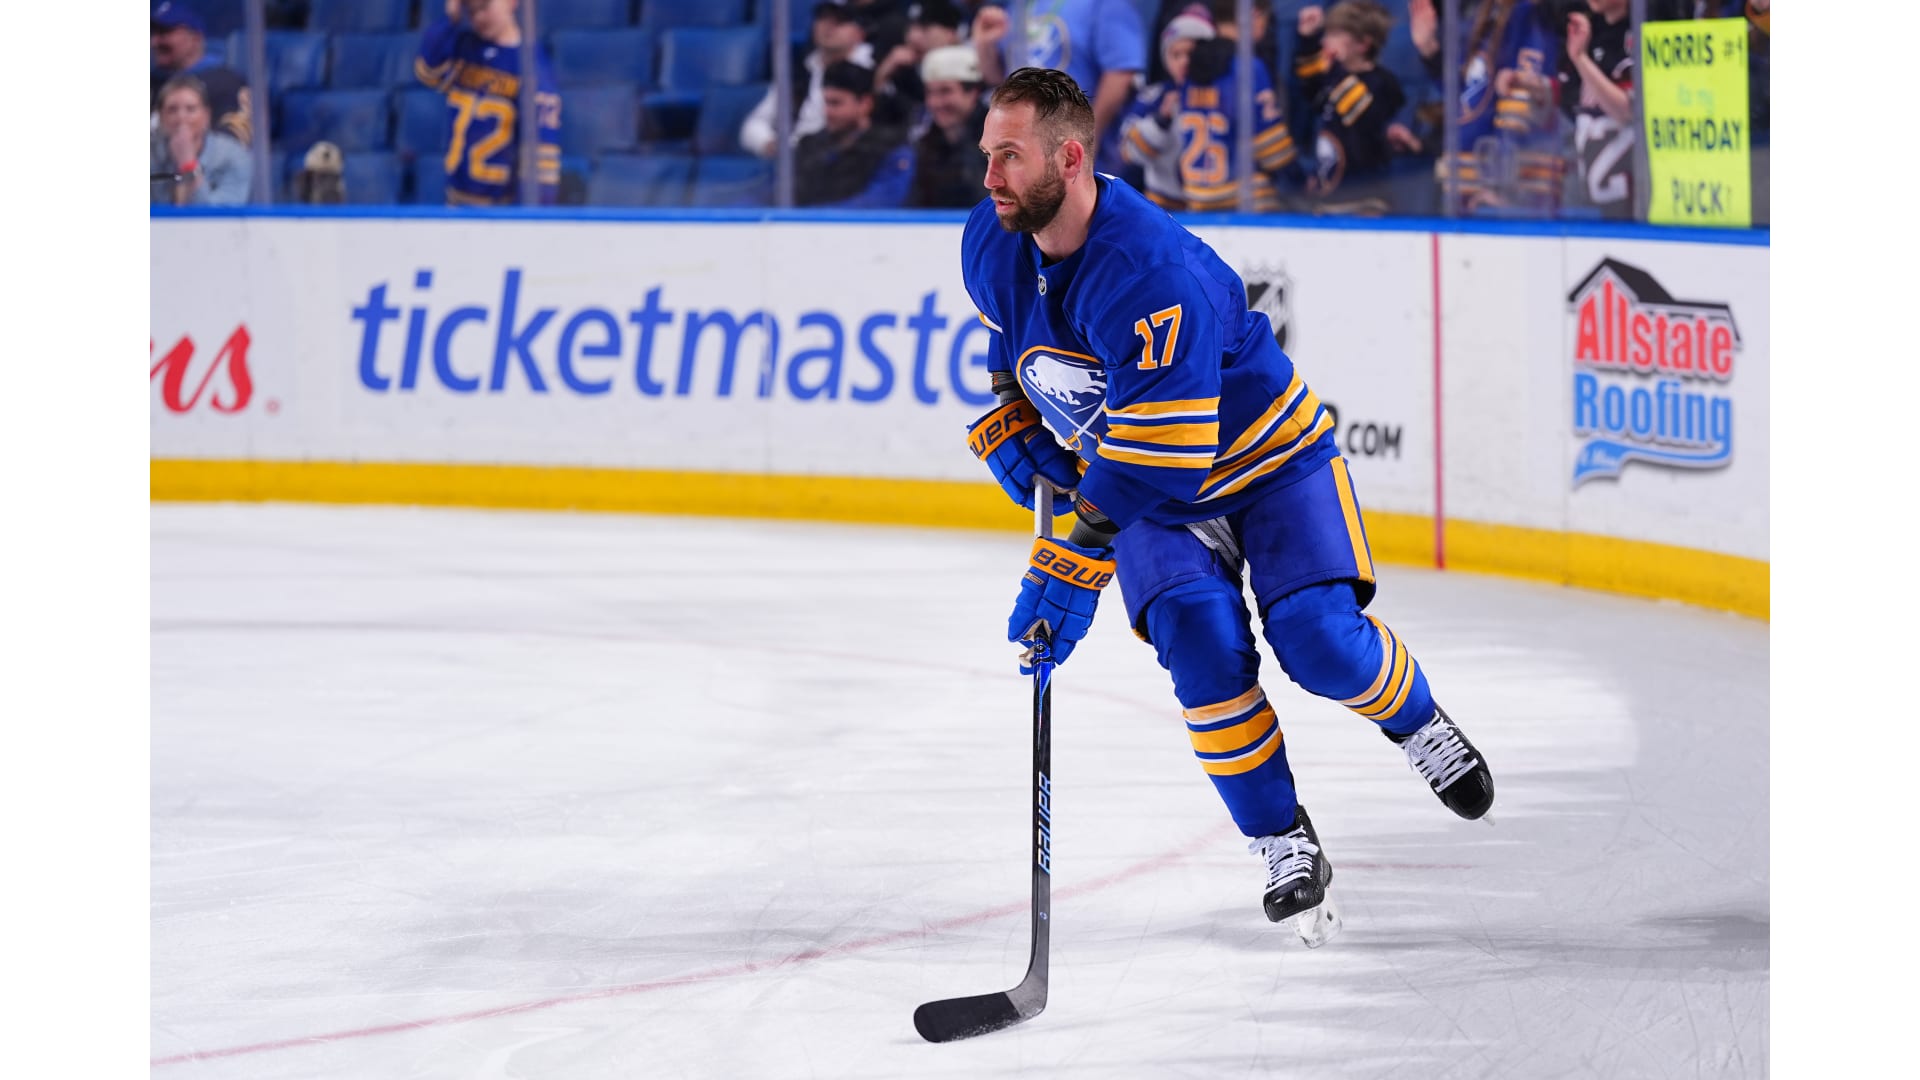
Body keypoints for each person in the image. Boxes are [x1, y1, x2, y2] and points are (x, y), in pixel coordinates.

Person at [959, 67, 1494, 940]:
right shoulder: (995, 233)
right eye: (987, 154)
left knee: (1319, 642)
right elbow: (1008, 334)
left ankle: (1419, 723)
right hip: (1152, 493)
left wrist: (1071, 561)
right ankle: (1284, 840)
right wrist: (1011, 409)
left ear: (1071, 158)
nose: (989, 177)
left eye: (1009, 156)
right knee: (1202, 655)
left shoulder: (1148, 269)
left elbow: (1160, 460)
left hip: (1267, 463)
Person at [971, 0, 1146, 176]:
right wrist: (984, 45)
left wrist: (1088, 136)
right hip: (1025, 146)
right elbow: (998, 79)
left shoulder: (1106, 4)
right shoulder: (1017, 6)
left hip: (1086, 151)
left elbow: (1120, 74)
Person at [416, 0, 561, 206]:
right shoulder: (464, 47)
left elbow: (541, 155)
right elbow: (428, 71)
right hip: (455, 201)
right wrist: (451, 18)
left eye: (485, 6)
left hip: (500, 207)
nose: (478, 17)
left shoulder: (531, 65)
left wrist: (526, 216)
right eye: (471, 11)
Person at [1172, 0, 1297, 211]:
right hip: (1246, 199)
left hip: (1197, 199)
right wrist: (1301, 180)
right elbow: (1272, 149)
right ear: (1254, 15)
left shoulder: (1192, 68)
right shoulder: (1248, 67)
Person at [1293, 1, 1407, 200]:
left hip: (1366, 197)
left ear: (1363, 44)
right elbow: (1310, 87)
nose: (1325, 42)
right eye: (1326, 34)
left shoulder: (1382, 83)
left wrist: (1334, 69)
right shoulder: (1333, 77)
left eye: (1335, 35)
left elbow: (1358, 111)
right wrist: (1308, 40)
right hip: (1330, 191)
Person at [741, 2, 876, 160]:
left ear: (860, 33)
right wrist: (772, 145)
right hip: (798, 157)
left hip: (849, 158)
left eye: (840, 21)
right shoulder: (798, 72)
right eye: (823, 18)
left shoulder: (874, 71)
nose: (829, 26)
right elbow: (754, 124)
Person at [1119, 6, 1215, 212]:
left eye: (1191, 53)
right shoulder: (1153, 97)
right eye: (1175, 54)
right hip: (1163, 208)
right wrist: (1160, 120)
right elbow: (1128, 152)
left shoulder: (1226, 94)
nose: (1184, 61)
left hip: (1216, 207)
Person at [794, 61, 916, 207]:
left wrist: (817, 216)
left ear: (865, 104)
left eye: (836, 103)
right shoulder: (809, 145)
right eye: (826, 103)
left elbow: (881, 202)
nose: (827, 112)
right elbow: (784, 196)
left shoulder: (892, 148)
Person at [1555, 0, 1634, 219]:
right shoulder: (1587, 31)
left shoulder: (1640, 31)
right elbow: (1567, 101)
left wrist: (1580, 58)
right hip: (1585, 186)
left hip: (1630, 198)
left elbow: (1627, 111)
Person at [150, 1, 251, 144]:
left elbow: (236, 138)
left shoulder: (226, 83)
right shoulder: (152, 81)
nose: (154, 42)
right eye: (152, 34)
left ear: (195, 38)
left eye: (164, 33)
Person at [151, 74, 253, 206]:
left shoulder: (234, 156)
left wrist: (188, 164)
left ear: (206, 116)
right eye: (172, 110)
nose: (181, 117)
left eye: (191, 109)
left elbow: (216, 215)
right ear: (161, 117)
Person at [908, 45, 990, 207]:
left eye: (945, 91)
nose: (935, 103)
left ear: (973, 92)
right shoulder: (927, 142)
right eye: (930, 92)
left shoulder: (998, 140)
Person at [871, 0, 968, 129]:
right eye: (911, 28)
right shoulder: (904, 70)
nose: (913, 37)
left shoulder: (969, 68)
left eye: (925, 29)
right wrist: (883, 74)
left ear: (951, 34)